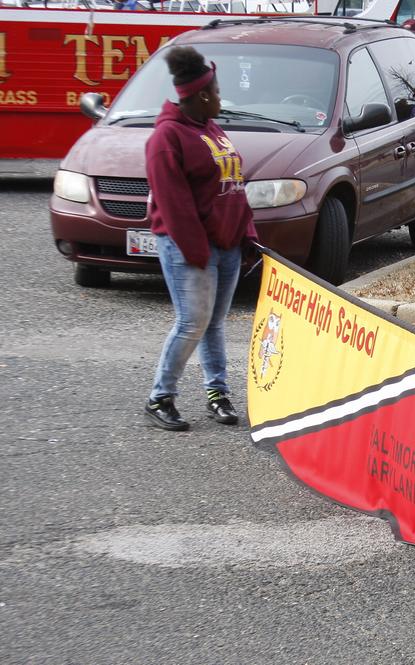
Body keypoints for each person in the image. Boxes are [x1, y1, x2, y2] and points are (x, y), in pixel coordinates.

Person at [143, 46, 257, 431]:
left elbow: (234, 187)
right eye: (219, 92)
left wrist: (247, 234)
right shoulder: (166, 138)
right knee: (192, 322)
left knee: (214, 324)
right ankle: (161, 397)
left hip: (226, 245)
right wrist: (197, 254)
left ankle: (217, 394)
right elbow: (174, 205)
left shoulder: (211, 128)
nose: (222, 99)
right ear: (203, 95)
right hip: (189, 248)